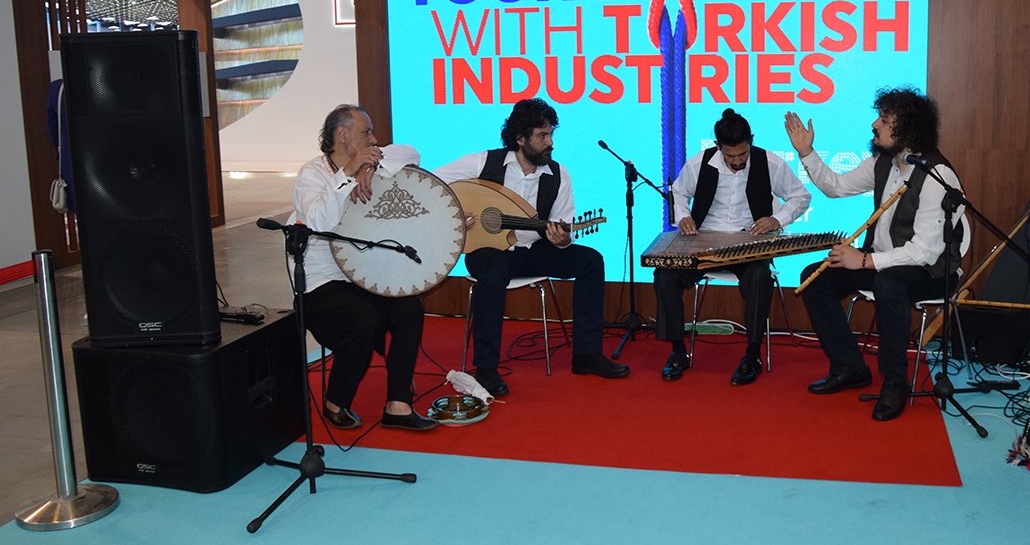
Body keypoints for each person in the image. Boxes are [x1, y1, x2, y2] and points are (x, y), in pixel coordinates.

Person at [786, 87, 964, 421]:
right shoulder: (885, 161)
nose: (874, 124)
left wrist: (866, 261)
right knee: (815, 278)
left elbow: (925, 251)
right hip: (883, 263)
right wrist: (806, 152)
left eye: (883, 119)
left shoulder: (936, 175)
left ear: (907, 128)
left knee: (889, 284)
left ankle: (895, 382)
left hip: (931, 272)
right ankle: (849, 367)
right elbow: (837, 187)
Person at [435, 98, 629, 396]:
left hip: (534, 250)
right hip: (487, 251)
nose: (550, 142)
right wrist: (456, 215)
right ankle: (486, 368)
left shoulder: (558, 175)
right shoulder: (483, 162)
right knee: (494, 273)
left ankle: (586, 354)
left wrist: (563, 239)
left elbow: (562, 225)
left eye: (551, 134)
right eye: (542, 135)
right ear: (520, 138)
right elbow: (432, 183)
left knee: (591, 261)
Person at [287, 104, 437, 431]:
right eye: (366, 132)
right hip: (321, 284)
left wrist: (368, 168)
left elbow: (410, 153)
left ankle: (398, 404)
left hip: (362, 278)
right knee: (364, 319)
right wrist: (346, 175)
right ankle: (335, 400)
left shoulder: (372, 162)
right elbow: (318, 224)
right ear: (342, 135)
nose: (374, 138)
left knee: (409, 308)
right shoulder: (312, 175)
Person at [654, 109, 811, 385]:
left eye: (743, 154)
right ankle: (677, 351)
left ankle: (752, 355)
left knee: (760, 277)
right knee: (665, 274)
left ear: (751, 140)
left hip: (747, 242)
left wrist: (777, 219)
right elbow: (678, 192)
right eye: (730, 156)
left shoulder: (769, 162)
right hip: (704, 242)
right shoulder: (700, 163)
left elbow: (801, 196)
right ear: (718, 146)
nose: (738, 161)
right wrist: (684, 216)